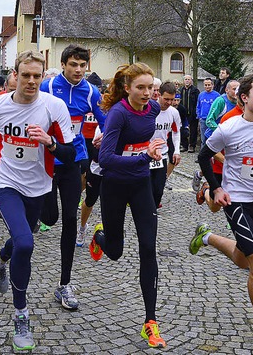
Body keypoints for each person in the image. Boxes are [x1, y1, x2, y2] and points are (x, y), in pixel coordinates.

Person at [0, 50, 75, 351]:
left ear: (42, 75)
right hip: (5, 183)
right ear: (15, 75)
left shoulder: (54, 106)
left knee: (25, 235)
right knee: (25, 243)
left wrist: (49, 142)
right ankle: (21, 315)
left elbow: (70, 155)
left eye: (37, 75)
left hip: (39, 187)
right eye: (26, 75)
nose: (31, 81)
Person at [190, 73, 253, 355]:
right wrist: (218, 188)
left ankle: (207, 236)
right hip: (235, 200)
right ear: (244, 97)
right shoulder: (229, 127)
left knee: (242, 259)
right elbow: (202, 156)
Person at [88, 62, 167, 348]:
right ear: (127, 88)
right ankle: (100, 236)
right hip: (115, 185)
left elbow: (145, 142)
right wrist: (143, 156)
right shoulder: (119, 113)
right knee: (116, 251)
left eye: (150, 88)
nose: (147, 93)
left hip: (140, 184)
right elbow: (106, 158)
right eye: (141, 88)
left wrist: (150, 155)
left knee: (148, 247)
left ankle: (150, 321)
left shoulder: (154, 109)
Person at [39, 44, 105, 309]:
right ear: (64, 64)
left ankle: (64, 284)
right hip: (43, 161)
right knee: (48, 217)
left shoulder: (91, 91)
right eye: (74, 65)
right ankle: (6, 253)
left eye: (83, 65)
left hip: (71, 160)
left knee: (68, 219)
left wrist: (104, 133)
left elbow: (106, 118)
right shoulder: (46, 87)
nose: (79, 70)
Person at [150, 81, 181, 207]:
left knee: (158, 188)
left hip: (161, 155)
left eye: (172, 100)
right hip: (146, 154)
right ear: (159, 95)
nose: (169, 102)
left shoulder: (173, 113)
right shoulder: (149, 109)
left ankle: (154, 205)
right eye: (166, 99)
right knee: (146, 186)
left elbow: (176, 132)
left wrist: (177, 151)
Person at [179, 74, 200, 153]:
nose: (187, 81)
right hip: (183, 113)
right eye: (186, 79)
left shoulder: (195, 90)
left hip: (192, 113)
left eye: (188, 79)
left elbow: (197, 102)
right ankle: (184, 145)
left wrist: (195, 112)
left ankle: (192, 145)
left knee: (193, 130)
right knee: (183, 129)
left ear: (191, 80)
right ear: (183, 81)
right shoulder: (181, 90)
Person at [197, 78, 220, 146]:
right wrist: (199, 116)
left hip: (213, 120)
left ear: (212, 85)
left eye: (209, 85)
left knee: (213, 138)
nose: (207, 86)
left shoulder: (217, 95)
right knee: (203, 139)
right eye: (205, 85)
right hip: (203, 120)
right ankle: (203, 154)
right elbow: (198, 106)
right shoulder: (201, 95)